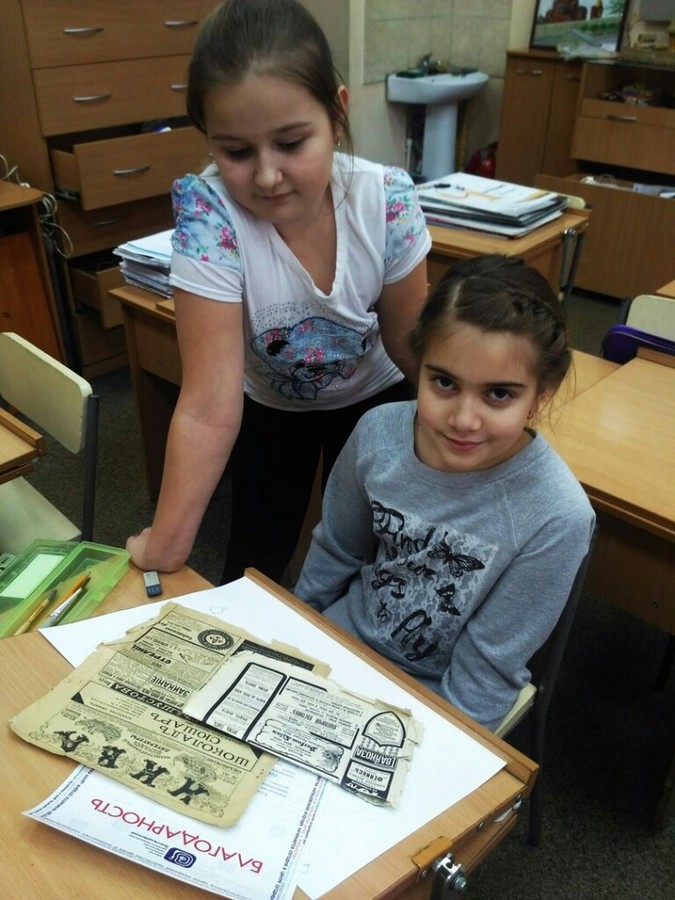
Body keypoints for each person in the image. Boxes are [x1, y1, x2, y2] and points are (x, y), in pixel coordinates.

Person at [125, 0, 431, 582]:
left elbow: (410, 343)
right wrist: (165, 546)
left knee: (370, 561)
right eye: (236, 152)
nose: (267, 176)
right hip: (270, 403)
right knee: (256, 554)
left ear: (337, 115)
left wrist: (470, 436)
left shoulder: (384, 199)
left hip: (374, 397)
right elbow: (209, 405)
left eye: (290, 143)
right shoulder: (210, 213)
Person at [295, 254, 596, 731]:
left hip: (437, 699)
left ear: (542, 392)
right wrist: (290, 641)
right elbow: (335, 550)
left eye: (499, 394)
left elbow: (485, 671)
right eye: (444, 383)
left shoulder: (556, 515)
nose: (463, 420)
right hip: (342, 642)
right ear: (419, 367)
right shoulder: (378, 433)